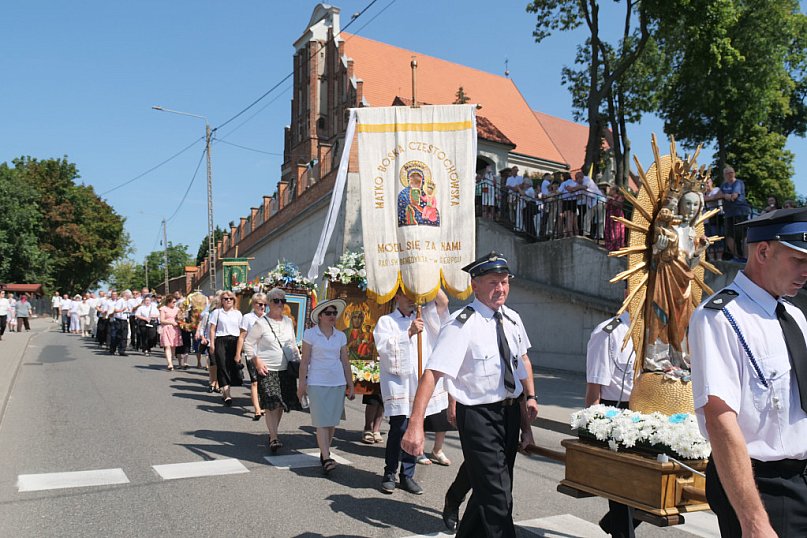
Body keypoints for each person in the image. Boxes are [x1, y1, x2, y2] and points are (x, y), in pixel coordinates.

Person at [402, 252, 539, 538]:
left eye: (504, 282)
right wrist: (415, 425)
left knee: (488, 492)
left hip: (509, 414)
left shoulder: (513, 319)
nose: (500, 288)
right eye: (492, 282)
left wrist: (527, 422)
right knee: (499, 499)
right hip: (478, 417)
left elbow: (519, 371)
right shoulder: (461, 324)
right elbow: (432, 374)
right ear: (474, 285)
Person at [690, 207, 807, 537]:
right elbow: (720, 420)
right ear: (764, 252)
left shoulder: (794, 315)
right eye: (798, 260)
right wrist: (754, 520)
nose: (806, 271)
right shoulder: (720, 317)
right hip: (763, 487)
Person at [374, 287, 450, 495]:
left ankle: (407, 475)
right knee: (399, 429)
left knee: (416, 427)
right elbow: (384, 349)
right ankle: (389, 473)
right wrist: (408, 333)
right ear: (397, 297)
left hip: (419, 385)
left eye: (414, 295)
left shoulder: (425, 316)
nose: (411, 300)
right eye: (407, 295)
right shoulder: (387, 321)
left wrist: (430, 279)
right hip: (399, 385)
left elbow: (443, 303)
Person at [584, 311, 640, 537]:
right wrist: (592, 425)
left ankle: (612, 523)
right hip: (615, 411)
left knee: (646, 484)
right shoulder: (608, 332)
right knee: (620, 484)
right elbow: (594, 387)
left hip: (646, 411)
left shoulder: (654, 329)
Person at [297, 299, 355, 475]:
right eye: (328, 313)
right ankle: (327, 456)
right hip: (317, 382)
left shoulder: (341, 336)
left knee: (331, 422)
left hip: (337, 382)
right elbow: (304, 362)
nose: (332, 316)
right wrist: (302, 384)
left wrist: (351, 385)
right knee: (321, 421)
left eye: (334, 313)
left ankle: (325, 453)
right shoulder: (310, 334)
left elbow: (345, 362)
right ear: (320, 316)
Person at [243, 288, 300, 452]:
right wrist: (256, 361)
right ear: (269, 302)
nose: (280, 303)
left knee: (280, 403)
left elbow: (292, 344)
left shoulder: (288, 322)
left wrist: (299, 362)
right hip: (267, 369)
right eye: (276, 300)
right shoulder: (261, 323)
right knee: (271, 403)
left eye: (283, 300)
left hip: (286, 369)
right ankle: (274, 437)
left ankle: (273, 432)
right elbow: (248, 344)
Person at [236, 292, 269, 421]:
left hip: (266, 354)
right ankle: (257, 409)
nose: (262, 307)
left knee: (264, 382)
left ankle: (263, 405)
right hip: (252, 354)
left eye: (265, 304)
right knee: (254, 381)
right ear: (254, 304)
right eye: (260, 304)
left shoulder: (268, 318)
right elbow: (241, 336)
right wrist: (238, 354)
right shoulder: (247, 318)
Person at [208, 290, 243, 406]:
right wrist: (212, 344)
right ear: (221, 301)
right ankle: (227, 394)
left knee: (231, 366)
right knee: (222, 365)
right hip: (221, 340)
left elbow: (242, 331)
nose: (228, 301)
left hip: (234, 340)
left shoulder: (238, 314)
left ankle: (226, 390)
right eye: (225, 299)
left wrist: (241, 347)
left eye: (230, 298)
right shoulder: (217, 312)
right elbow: (212, 329)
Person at [718, 166, 751, 261]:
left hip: (740, 212)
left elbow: (734, 197)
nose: (730, 175)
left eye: (731, 172)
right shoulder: (724, 185)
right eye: (727, 173)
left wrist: (725, 196)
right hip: (728, 214)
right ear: (724, 175)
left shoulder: (738, 183)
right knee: (729, 236)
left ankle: (745, 257)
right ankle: (737, 256)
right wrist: (726, 195)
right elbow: (717, 195)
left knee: (743, 235)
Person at [160, 295, 182, 370]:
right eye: (173, 302)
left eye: (175, 302)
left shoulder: (177, 309)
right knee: (167, 346)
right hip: (166, 328)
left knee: (173, 346)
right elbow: (162, 320)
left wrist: (179, 319)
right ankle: (169, 363)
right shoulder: (163, 309)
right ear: (168, 302)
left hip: (174, 329)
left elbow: (179, 318)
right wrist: (171, 322)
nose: (174, 303)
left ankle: (172, 360)